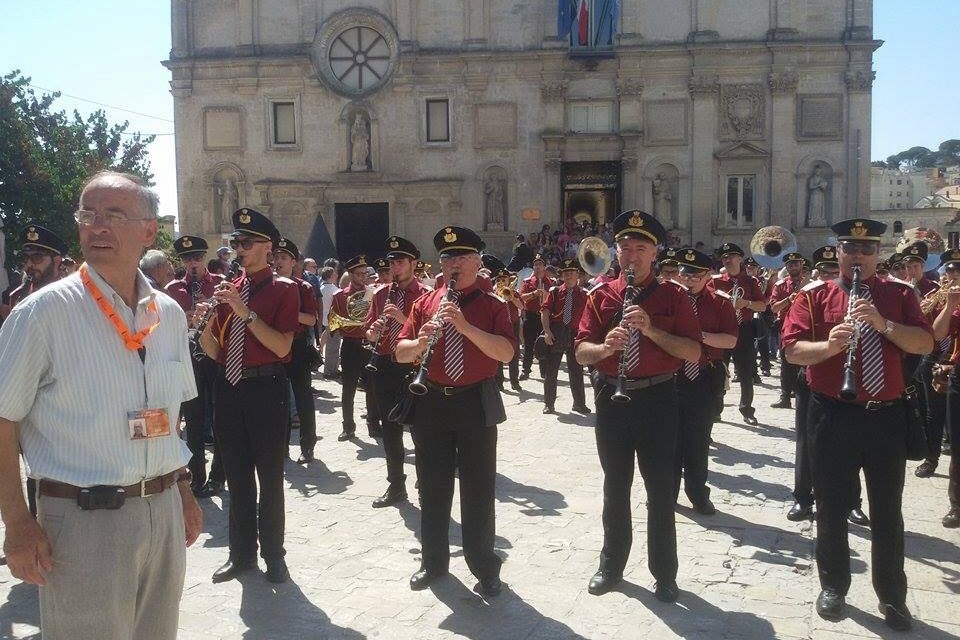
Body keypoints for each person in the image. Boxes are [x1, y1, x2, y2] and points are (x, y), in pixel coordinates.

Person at [0, 171, 202, 639]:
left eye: (114, 215)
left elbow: (168, 421)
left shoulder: (167, 314)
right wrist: (17, 522)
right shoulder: (43, 314)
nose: (98, 227)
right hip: (83, 522)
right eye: (88, 216)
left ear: (149, 230)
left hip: (163, 513)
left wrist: (184, 491)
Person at [782, 218, 933, 631]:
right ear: (839, 252)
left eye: (868, 249)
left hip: (885, 418)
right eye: (851, 248)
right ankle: (833, 585)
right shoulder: (814, 296)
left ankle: (893, 597)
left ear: (878, 254)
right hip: (831, 413)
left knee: (888, 511)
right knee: (830, 504)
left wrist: (883, 324)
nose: (859, 256)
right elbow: (792, 350)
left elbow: (923, 343)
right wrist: (830, 346)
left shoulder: (899, 294)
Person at [574, 210, 701, 602]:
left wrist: (651, 329)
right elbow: (580, 352)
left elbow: (693, 350)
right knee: (616, 487)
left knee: (661, 490)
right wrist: (604, 347)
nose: (631, 255)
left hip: (659, 398)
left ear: (654, 252)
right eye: (624, 247)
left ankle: (664, 572)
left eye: (640, 248)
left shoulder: (674, 295)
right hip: (611, 397)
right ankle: (612, 564)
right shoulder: (600, 294)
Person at [396, 225, 515, 598]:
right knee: (432, 487)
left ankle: (483, 565)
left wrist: (464, 327)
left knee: (478, 489)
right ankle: (433, 562)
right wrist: (420, 341)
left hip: (474, 401)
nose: (453, 263)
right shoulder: (424, 304)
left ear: (478, 261)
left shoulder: (495, 304)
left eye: (462, 256)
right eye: (447, 257)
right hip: (430, 401)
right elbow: (400, 352)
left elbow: (506, 353)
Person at [199, 207, 300, 585]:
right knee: (238, 479)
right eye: (236, 242)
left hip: (266, 388)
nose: (238, 249)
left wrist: (246, 314)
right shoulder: (228, 290)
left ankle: (275, 555)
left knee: (270, 479)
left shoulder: (284, 290)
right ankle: (241, 555)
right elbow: (214, 351)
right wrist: (205, 326)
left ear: (266, 247)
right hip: (229, 387)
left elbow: (281, 348)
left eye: (245, 243)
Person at [784, 247, 868, 526]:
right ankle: (803, 497)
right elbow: (794, 340)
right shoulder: (811, 294)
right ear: (818, 271)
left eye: (835, 270)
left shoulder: (860, 295)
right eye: (826, 271)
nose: (831, 275)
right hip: (815, 376)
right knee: (807, 441)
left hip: (853, 378)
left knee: (853, 441)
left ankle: (852, 502)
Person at [364, 236, 430, 508]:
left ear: (413, 263)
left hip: (413, 366)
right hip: (384, 363)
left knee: (421, 429)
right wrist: (373, 331)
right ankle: (396, 486)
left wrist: (403, 320)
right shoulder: (380, 294)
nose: (395, 266)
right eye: (392, 261)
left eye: (401, 261)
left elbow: (431, 335)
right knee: (390, 428)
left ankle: (426, 483)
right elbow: (366, 330)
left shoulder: (425, 295)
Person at [673, 248, 738, 515]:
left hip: (704, 376)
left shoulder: (721, 302)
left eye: (695, 275)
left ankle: (698, 493)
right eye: (685, 274)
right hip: (673, 376)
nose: (689, 280)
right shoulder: (668, 299)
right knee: (669, 441)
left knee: (698, 440)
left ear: (707, 275)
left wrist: (698, 336)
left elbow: (731, 340)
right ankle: (667, 493)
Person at [164, 235, 227, 498]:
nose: (194, 262)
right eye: (188, 258)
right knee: (194, 421)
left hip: (216, 357)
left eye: (198, 257)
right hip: (188, 360)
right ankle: (197, 476)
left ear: (204, 258)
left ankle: (218, 477)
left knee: (220, 418)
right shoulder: (173, 289)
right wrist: (185, 319)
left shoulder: (221, 285)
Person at [273, 238, 320, 464]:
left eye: (283, 258)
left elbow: (311, 319)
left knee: (303, 398)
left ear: (294, 262)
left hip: (298, 345)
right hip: (274, 345)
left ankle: (307, 446)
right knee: (278, 400)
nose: (278, 262)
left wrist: (288, 312)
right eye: (276, 257)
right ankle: (281, 448)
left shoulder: (304, 287)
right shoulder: (268, 286)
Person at [901, 241, 944, 479]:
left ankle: (932, 456)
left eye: (916, 265)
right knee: (909, 403)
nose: (912, 270)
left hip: (929, 352)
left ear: (923, 266)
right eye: (909, 265)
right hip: (906, 354)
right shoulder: (899, 289)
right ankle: (912, 443)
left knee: (931, 409)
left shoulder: (934, 289)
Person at [712, 243, 766, 425]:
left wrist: (747, 304)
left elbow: (763, 305)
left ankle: (747, 410)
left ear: (740, 258)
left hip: (744, 329)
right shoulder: (715, 281)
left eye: (731, 256)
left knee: (745, 372)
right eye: (724, 257)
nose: (727, 260)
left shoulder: (750, 282)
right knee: (719, 371)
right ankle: (715, 410)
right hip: (722, 330)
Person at [930, 249, 960, 528]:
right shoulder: (952, 302)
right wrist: (950, 306)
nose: (952, 276)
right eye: (949, 272)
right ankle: (956, 506)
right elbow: (938, 334)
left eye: (957, 272)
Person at [330, 255, 375, 440]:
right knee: (348, 389)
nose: (363, 277)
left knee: (372, 388)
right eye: (359, 274)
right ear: (350, 274)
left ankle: (374, 425)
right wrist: (350, 324)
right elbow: (335, 323)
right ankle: (348, 427)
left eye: (365, 273)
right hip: (350, 345)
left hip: (369, 344)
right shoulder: (339, 296)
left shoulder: (373, 293)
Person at [539, 258, 589, 415]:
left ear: (577, 275)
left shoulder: (585, 294)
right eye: (566, 274)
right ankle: (549, 404)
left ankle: (579, 404)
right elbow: (545, 311)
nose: (569, 277)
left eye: (572, 273)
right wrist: (547, 331)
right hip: (557, 333)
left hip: (576, 334)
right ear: (561, 276)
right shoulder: (554, 292)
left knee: (576, 370)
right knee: (551, 370)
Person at [768, 252, 809, 409]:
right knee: (786, 364)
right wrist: (788, 299)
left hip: (805, 328)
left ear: (801, 264)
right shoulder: (780, 285)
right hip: (787, 328)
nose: (793, 266)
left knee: (804, 363)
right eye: (790, 264)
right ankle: (785, 397)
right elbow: (773, 308)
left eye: (796, 263)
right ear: (786, 267)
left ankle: (802, 395)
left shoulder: (810, 284)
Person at [518, 254, 555, 379]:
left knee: (544, 344)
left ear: (544, 267)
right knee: (529, 344)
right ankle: (526, 370)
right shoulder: (527, 282)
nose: (537, 267)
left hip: (544, 317)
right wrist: (534, 293)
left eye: (540, 264)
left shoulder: (551, 283)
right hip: (531, 316)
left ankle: (544, 371)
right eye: (535, 265)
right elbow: (521, 297)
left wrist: (546, 296)